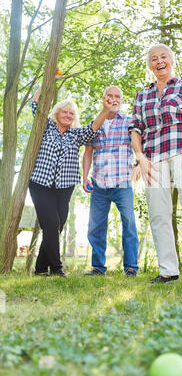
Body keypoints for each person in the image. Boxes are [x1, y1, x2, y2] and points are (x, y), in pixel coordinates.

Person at [129, 44, 182, 286]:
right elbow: (135, 129)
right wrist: (140, 157)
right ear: (150, 65)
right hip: (153, 157)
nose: (159, 61)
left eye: (163, 56)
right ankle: (168, 270)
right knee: (158, 213)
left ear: (172, 61)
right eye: (154, 59)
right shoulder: (142, 95)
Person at [29, 71, 115, 277]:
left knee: (56, 226)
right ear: (56, 113)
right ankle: (57, 268)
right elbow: (36, 104)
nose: (68, 115)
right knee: (51, 223)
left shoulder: (76, 134)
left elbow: (94, 127)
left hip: (64, 186)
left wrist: (105, 109)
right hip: (40, 184)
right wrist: (48, 81)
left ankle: (40, 268)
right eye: (64, 112)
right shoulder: (46, 127)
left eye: (71, 114)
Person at [83, 85, 139, 277]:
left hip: (122, 183)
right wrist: (84, 176)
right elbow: (88, 152)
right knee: (96, 226)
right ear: (104, 98)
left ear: (121, 100)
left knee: (129, 224)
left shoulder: (129, 122)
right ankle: (98, 267)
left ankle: (131, 267)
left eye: (118, 96)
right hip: (98, 183)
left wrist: (140, 163)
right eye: (110, 96)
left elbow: (140, 144)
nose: (114, 99)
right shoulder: (95, 123)